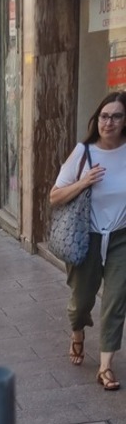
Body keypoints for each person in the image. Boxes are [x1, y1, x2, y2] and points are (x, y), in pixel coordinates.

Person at [50, 90, 126, 390]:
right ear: (97, 120)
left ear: (124, 120)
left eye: (116, 116)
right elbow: (55, 196)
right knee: (81, 301)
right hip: (87, 237)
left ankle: (106, 367)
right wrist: (84, 181)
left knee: (115, 300)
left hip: (121, 236)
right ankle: (78, 330)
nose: (109, 122)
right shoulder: (84, 152)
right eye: (104, 116)